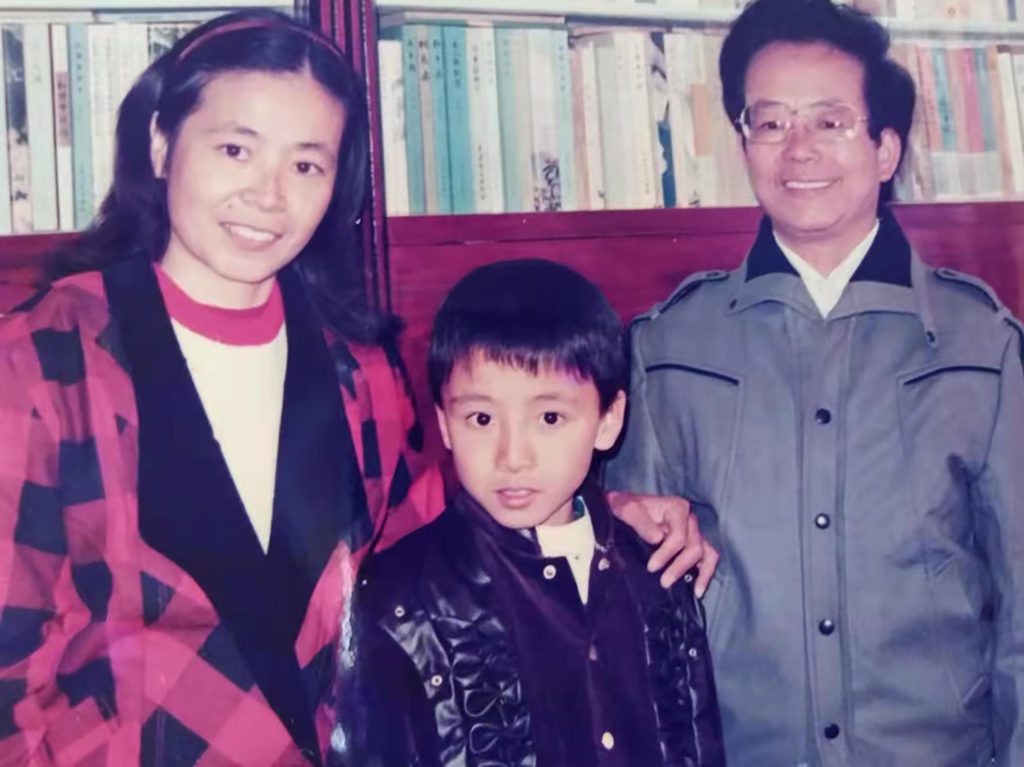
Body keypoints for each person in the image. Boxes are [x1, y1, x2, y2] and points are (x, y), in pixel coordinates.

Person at [0, 11, 712, 765]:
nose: (269, 195)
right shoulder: (40, 360)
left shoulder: (359, 368)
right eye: (236, 149)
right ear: (161, 143)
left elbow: (437, 545)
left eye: (306, 165)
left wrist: (598, 515)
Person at [605, 0, 1024, 765]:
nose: (798, 149)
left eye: (830, 121)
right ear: (743, 142)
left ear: (886, 148)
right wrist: (609, 511)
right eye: (770, 122)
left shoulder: (981, 345)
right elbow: (622, 606)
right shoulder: (667, 347)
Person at [335, 259, 725, 767]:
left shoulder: (660, 571)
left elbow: (695, 741)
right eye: (481, 418)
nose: (513, 456)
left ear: (608, 420)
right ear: (445, 424)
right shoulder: (398, 598)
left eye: (550, 417)